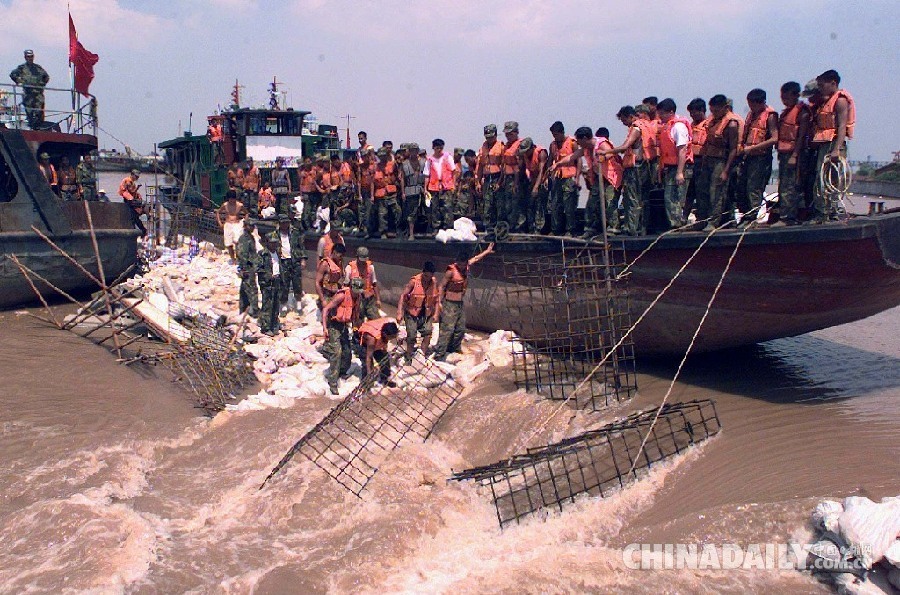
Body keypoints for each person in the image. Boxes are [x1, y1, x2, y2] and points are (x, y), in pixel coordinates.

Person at [432, 243, 494, 361]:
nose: (460, 265)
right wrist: (439, 302)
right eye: (459, 263)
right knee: (447, 329)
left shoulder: (466, 266)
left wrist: (487, 251)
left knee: (460, 328)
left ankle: (454, 348)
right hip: (449, 303)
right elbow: (441, 286)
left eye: (463, 263)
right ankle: (439, 354)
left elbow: (475, 259)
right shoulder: (451, 271)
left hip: (459, 303)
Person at [810, 69, 855, 223]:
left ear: (833, 83)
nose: (820, 88)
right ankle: (822, 212)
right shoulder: (824, 102)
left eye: (822, 85)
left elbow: (842, 126)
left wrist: (836, 149)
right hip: (824, 143)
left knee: (833, 179)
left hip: (834, 143)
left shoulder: (840, 100)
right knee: (821, 178)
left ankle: (831, 212)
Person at [601, 107, 649, 236]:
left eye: (623, 119)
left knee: (632, 199)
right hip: (642, 166)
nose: (623, 123)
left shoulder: (636, 128)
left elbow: (624, 147)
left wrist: (606, 152)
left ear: (629, 116)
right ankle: (640, 228)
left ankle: (631, 228)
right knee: (641, 198)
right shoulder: (645, 126)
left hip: (635, 168)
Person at [698, 95, 743, 230]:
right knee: (703, 190)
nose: (714, 113)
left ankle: (714, 222)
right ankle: (704, 219)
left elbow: (733, 149)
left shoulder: (731, 124)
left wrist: (726, 170)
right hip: (709, 160)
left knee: (717, 191)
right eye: (712, 110)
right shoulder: (713, 121)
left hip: (721, 161)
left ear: (724, 108)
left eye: (716, 110)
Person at [737, 89, 778, 221]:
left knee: (754, 187)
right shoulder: (751, 115)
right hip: (747, 157)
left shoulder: (770, 116)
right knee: (742, 185)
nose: (751, 107)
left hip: (761, 157)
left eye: (753, 104)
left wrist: (754, 148)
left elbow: (774, 138)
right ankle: (746, 214)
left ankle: (752, 216)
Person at [774, 82, 811, 226]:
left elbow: (801, 137)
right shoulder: (786, 112)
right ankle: (784, 214)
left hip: (794, 154)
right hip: (783, 154)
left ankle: (787, 217)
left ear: (796, 95)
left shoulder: (802, 112)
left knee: (790, 186)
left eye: (787, 97)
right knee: (783, 185)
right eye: (782, 97)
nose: (784, 100)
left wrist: (794, 156)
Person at [654, 99, 693, 230]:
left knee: (675, 198)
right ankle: (675, 224)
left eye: (662, 114)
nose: (660, 117)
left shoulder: (678, 127)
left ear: (671, 112)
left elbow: (682, 149)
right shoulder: (667, 126)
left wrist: (680, 172)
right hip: (670, 168)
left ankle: (678, 225)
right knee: (670, 198)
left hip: (680, 167)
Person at [321, 278, 365, 394]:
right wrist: (325, 328)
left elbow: (355, 315)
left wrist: (357, 328)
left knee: (347, 352)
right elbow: (326, 309)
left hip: (344, 326)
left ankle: (341, 371)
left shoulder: (358, 297)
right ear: (351, 287)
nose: (356, 293)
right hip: (334, 325)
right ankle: (333, 382)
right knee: (337, 352)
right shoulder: (342, 296)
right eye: (355, 291)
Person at [397, 261, 439, 364]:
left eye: (429, 276)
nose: (427, 279)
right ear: (423, 272)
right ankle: (408, 357)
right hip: (412, 313)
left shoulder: (434, 282)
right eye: (425, 276)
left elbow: (437, 299)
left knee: (428, 333)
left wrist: (436, 313)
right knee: (411, 336)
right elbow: (403, 295)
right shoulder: (414, 282)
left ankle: (422, 354)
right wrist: (399, 312)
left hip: (426, 313)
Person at [547, 121, 580, 237]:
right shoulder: (553, 145)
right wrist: (547, 176)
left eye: (556, 134)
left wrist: (577, 178)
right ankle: (555, 229)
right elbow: (550, 160)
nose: (554, 137)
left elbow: (579, 160)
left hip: (569, 177)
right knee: (555, 203)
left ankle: (570, 230)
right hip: (557, 177)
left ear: (562, 132)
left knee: (569, 205)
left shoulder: (572, 143)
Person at [9, 50, 49, 129]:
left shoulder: (38, 68)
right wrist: (20, 81)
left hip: (38, 94)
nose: (30, 58)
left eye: (31, 56)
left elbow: (46, 77)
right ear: (25, 57)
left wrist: (42, 84)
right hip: (28, 93)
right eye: (28, 56)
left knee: (39, 112)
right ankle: (32, 127)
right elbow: (13, 75)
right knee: (29, 111)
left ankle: (37, 128)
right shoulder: (22, 68)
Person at [425, 138, 457, 232]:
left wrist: (453, 185)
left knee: (447, 207)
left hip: (446, 186)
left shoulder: (447, 157)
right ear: (433, 148)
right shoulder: (430, 160)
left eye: (440, 148)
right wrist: (425, 189)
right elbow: (426, 175)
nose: (439, 150)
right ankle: (436, 228)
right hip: (433, 187)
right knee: (435, 208)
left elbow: (454, 171)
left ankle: (448, 227)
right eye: (437, 148)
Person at [276, 214, 307, 310]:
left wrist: (303, 259)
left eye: (287, 222)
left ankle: (298, 304)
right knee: (284, 284)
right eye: (283, 223)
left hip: (294, 260)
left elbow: (301, 246)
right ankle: (284, 305)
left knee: (297, 283)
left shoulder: (295, 233)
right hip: (283, 261)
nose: (285, 225)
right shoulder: (275, 234)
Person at [476, 124, 503, 231]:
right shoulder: (483, 148)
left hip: (498, 178)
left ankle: (500, 228)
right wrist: (478, 182)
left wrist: (500, 182)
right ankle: (488, 228)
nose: (489, 139)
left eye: (491, 137)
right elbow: (479, 166)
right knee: (487, 204)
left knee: (499, 205)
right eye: (487, 137)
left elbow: (504, 166)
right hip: (487, 179)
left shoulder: (501, 146)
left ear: (496, 135)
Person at [358, 318, 400, 387]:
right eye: (391, 337)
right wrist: (369, 372)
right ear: (385, 334)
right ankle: (366, 385)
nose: (392, 338)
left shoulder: (390, 327)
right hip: (364, 343)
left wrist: (384, 349)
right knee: (367, 365)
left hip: (379, 340)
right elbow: (369, 357)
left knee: (384, 359)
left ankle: (385, 379)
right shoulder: (371, 339)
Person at [519, 138, 549, 234]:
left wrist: (536, 187)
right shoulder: (524, 155)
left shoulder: (541, 153)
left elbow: (541, 171)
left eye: (527, 151)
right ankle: (531, 228)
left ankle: (539, 229)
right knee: (529, 204)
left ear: (532, 148)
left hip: (543, 180)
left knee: (539, 205)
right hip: (532, 180)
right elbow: (522, 170)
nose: (525, 154)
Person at [344, 245, 381, 323]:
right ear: (357, 257)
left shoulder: (370, 267)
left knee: (376, 320)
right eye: (361, 260)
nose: (363, 262)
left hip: (370, 299)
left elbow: (374, 283)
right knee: (358, 321)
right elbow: (346, 286)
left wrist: (378, 299)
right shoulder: (349, 268)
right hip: (357, 299)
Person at [371, 147, 401, 238]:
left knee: (397, 211)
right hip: (380, 193)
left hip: (392, 192)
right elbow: (372, 182)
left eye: (384, 155)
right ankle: (383, 232)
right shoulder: (375, 167)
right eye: (380, 156)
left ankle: (398, 229)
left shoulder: (393, 165)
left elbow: (398, 176)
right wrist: (372, 195)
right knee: (382, 214)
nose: (382, 157)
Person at [685, 98, 708, 219]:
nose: (692, 115)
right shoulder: (690, 125)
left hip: (703, 161)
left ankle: (702, 218)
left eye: (695, 112)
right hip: (690, 162)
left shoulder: (709, 124)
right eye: (691, 113)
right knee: (688, 191)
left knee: (701, 191)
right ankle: (684, 217)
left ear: (702, 111)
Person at [256, 233, 282, 336]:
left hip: (277, 281)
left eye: (275, 243)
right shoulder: (262, 254)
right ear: (267, 243)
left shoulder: (277, 253)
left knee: (276, 304)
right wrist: (268, 275)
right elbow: (258, 268)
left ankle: (274, 324)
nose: (274, 245)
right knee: (267, 305)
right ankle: (265, 327)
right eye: (272, 243)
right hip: (267, 283)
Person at [499, 121, 524, 231]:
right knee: (508, 204)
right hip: (507, 178)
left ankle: (519, 227)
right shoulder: (506, 146)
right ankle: (511, 226)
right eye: (506, 134)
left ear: (516, 132)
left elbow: (519, 166)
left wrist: (516, 183)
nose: (508, 136)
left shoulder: (520, 145)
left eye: (510, 134)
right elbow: (504, 165)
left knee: (517, 203)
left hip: (517, 178)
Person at [399, 143, 425, 239]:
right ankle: (411, 233)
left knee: (428, 210)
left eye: (415, 150)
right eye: (411, 150)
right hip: (410, 189)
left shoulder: (423, 162)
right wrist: (403, 192)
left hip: (422, 189)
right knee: (411, 213)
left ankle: (429, 230)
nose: (413, 152)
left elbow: (427, 176)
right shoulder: (404, 164)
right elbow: (402, 179)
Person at [236, 218, 260, 317]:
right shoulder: (244, 238)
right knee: (252, 289)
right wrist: (244, 268)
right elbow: (242, 254)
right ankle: (254, 310)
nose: (252, 228)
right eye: (251, 226)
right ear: (245, 226)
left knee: (244, 289)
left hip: (250, 266)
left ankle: (243, 307)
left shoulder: (250, 237)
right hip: (247, 267)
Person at [216, 189, 247, 261]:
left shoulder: (240, 205)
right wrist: (220, 223)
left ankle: (239, 258)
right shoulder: (225, 205)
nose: (232, 201)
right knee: (229, 244)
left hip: (237, 224)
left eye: (233, 199)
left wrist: (244, 222)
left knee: (237, 242)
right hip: (228, 224)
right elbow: (218, 212)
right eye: (230, 199)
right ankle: (233, 259)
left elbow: (246, 213)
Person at [315, 241, 345, 307]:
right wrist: (322, 300)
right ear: (334, 252)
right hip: (326, 294)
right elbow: (317, 282)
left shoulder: (339, 263)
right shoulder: (325, 264)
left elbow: (342, 277)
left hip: (336, 292)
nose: (341, 258)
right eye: (340, 255)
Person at [118, 168, 147, 236]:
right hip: (128, 198)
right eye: (136, 176)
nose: (137, 178)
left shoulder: (131, 182)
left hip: (130, 199)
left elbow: (133, 193)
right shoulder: (128, 180)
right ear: (132, 175)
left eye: (138, 177)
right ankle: (140, 230)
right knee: (132, 216)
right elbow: (132, 191)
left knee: (134, 216)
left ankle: (141, 230)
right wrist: (138, 187)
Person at [357, 148, 376, 237]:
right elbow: (359, 182)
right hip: (363, 191)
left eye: (366, 156)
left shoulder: (372, 166)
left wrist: (372, 195)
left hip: (370, 192)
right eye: (363, 157)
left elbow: (372, 181)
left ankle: (369, 231)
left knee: (369, 212)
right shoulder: (360, 167)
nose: (365, 158)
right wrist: (360, 194)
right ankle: (363, 229)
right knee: (362, 211)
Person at [457, 149, 479, 221]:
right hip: (473, 187)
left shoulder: (479, 163)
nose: (467, 162)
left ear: (473, 157)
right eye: (466, 160)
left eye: (468, 160)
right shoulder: (470, 166)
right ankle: (470, 212)